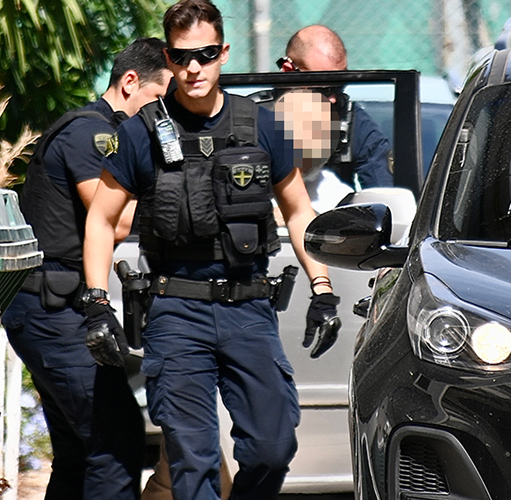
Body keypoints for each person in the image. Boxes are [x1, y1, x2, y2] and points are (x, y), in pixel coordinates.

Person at [82, 1, 342, 498]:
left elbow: (298, 211)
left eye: (204, 54)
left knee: (272, 448)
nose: (194, 68)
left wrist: (323, 288)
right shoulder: (141, 131)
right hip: (176, 311)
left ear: (223, 52)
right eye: (181, 57)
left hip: (249, 307)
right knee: (193, 460)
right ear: (168, 57)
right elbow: (101, 218)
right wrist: (95, 302)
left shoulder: (262, 125)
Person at [1, 38, 171, 500]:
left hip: (50, 305)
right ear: (130, 81)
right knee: (114, 440)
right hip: (54, 310)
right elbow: (112, 219)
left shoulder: (102, 130)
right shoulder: (93, 134)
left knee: (79, 453)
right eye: (159, 98)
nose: (163, 112)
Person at [280, 24, 394, 190]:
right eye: (322, 89)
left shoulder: (356, 127)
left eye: (340, 86)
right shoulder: (251, 121)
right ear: (288, 71)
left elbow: (383, 197)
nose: (333, 99)